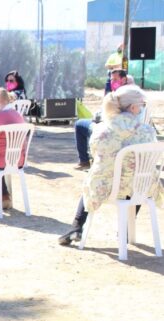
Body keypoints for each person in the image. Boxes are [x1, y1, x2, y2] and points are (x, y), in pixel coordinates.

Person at [59, 85, 158, 246]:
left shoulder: (103, 129)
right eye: (142, 105)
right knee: (140, 179)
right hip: (138, 189)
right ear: (133, 107)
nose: (142, 109)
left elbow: (95, 153)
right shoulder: (147, 131)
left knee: (92, 178)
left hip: (105, 188)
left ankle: (76, 226)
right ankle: (125, 231)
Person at [74, 69, 130, 170]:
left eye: (115, 79)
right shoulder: (132, 93)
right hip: (116, 127)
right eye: (111, 80)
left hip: (108, 128)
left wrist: (97, 118)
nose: (112, 82)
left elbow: (106, 114)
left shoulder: (119, 95)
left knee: (79, 124)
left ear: (124, 79)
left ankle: (84, 161)